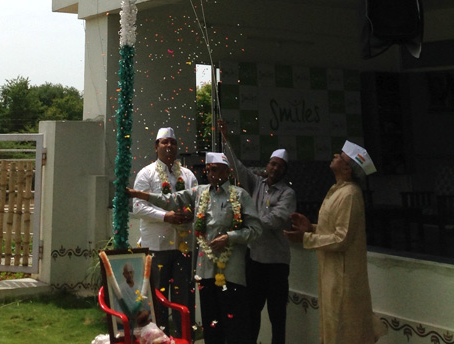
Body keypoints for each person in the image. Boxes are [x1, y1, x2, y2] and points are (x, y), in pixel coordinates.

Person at [129, 152, 263, 344]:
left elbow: (256, 229)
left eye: (214, 169)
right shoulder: (200, 192)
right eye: (208, 170)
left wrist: (230, 237)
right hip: (205, 271)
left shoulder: (240, 196)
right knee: (211, 324)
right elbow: (170, 199)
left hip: (231, 273)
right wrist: (139, 194)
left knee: (234, 326)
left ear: (226, 171)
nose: (210, 173)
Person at [284, 141, 387, 344]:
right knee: (333, 328)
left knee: (345, 330)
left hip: (344, 277)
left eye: (341, 156)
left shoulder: (349, 195)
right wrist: (311, 228)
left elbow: (342, 239)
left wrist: (305, 238)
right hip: (332, 273)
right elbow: (334, 230)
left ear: (348, 169)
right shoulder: (337, 190)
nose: (335, 156)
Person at [218, 120, 296, 344]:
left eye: (280, 166)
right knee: (251, 312)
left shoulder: (288, 193)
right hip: (255, 261)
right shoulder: (257, 183)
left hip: (277, 265)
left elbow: (276, 220)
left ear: (284, 171)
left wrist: (248, 221)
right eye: (272, 164)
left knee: (277, 316)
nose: (275, 168)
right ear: (267, 164)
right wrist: (225, 138)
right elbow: (236, 166)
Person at [132, 127, 198, 337]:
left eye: (173, 142)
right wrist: (165, 216)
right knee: (157, 299)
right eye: (164, 142)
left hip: (183, 246)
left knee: (182, 299)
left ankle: (183, 339)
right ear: (156, 146)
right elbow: (138, 207)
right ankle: (158, 339)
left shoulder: (188, 175)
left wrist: (191, 215)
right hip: (157, 247)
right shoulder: (146, 173)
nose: (169, 146)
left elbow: (198, 203)